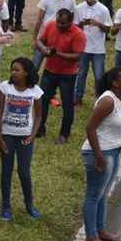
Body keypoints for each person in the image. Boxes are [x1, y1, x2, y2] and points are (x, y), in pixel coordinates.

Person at [80, 67, 121, 241]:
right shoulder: (108, 101)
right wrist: (99, 156)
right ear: (115, 83)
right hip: (101, 153)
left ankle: (100, 230)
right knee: (94, 195)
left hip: (114, 151)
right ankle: (91, 237)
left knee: (103, 194)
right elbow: (90, 128)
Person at [0, 57, 42, 221]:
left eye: (17, 70)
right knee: (6, 171)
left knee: (24, 172)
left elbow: (39, 116)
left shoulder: (35, 91)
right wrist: (0, 137)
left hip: (25, 137)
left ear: (26, 73)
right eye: (12, 69)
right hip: (7, 136)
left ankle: (29, 205)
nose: (13, 73)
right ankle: (6, 206)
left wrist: (32, 135)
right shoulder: (4, 88)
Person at [36, 9, 86, 144]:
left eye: (63, 23)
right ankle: (40, 128)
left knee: (67, 104)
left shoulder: (78, 34)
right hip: (50, 71)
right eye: (58, 22)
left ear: (71, 22)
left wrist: (57, 54)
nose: (59, 25)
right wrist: (44, 49)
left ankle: (64, 134)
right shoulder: (51, 25)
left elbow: (77, 56)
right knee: (42, 100)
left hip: (67, 74)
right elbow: (39, 41)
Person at [74, 0, 112, 106]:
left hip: (98, 49)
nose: (89, 0)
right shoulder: (79, 8)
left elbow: (108, 29)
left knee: (99, 76)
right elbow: (74, 28)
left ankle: (100, 99)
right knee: (80, 74)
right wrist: (81, 24)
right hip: (83, 48)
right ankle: (77, 98)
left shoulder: (103, 10)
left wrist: (97, 23)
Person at [33, 0, 76, 70]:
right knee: (35, 65)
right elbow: (39, 19)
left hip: (61, 37)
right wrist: (35, 39)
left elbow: (71, 21)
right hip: (45, 36)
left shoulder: (71, 1)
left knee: (58, 65)